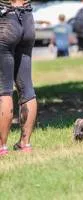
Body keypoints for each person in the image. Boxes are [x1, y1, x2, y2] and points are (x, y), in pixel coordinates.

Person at [0, 0, 37, 155]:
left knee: (4, 89)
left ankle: (1, 147)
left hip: (5, 20)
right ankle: (25, 144)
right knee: (27, 87)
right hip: (27, 17)